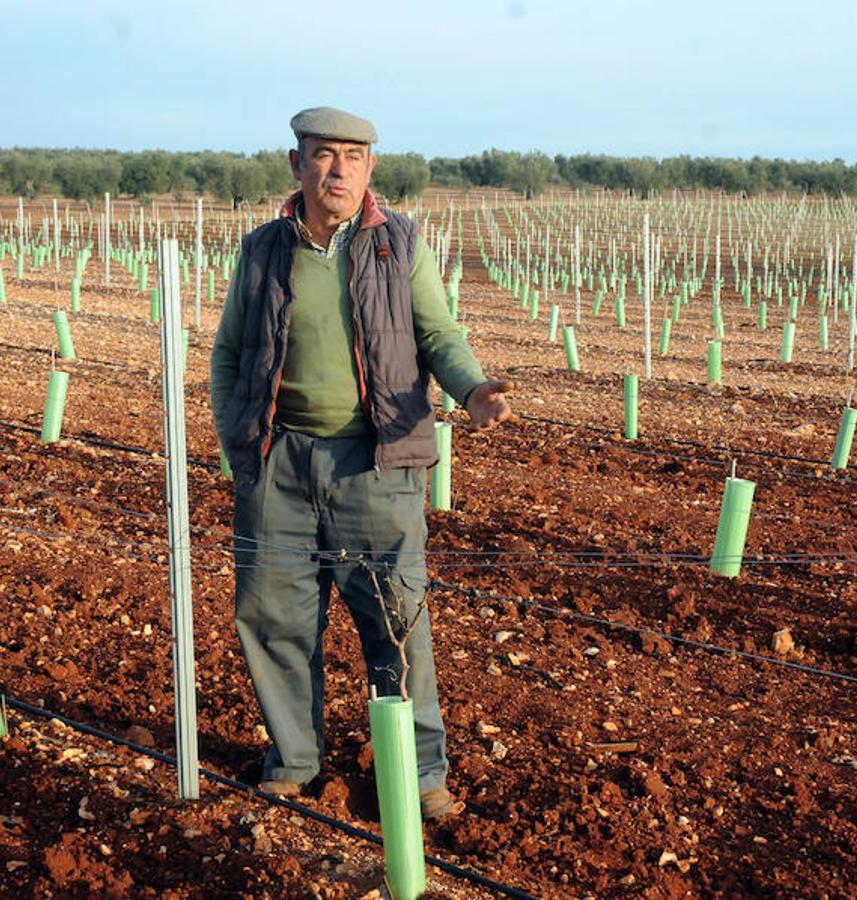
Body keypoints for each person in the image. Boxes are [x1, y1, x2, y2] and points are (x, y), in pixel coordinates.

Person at [210, 106, 514, 819]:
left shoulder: (399, 245)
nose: (337, 169)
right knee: (273, 616)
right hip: (278, 462)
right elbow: (229, 352)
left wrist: (470, 389)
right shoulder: (261, 251)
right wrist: (237, 440)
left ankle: (419, 775)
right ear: (297, 164)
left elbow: (438, 333)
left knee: (395, 621)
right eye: (323, 154)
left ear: (370, 167)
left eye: (353, 156)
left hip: (377, 464)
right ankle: (294, 759)